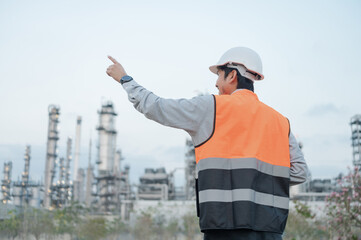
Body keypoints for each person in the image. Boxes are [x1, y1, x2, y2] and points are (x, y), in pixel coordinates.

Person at [106, 47, 309, 240]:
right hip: (271, 231)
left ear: (232, 76)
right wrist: (257, 182)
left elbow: (156, 107)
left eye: (219, 75)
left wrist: (125, 79)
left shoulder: (212, 107)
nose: (216, 84)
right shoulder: (281, 121)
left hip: (223, 228)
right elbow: (300, 172)